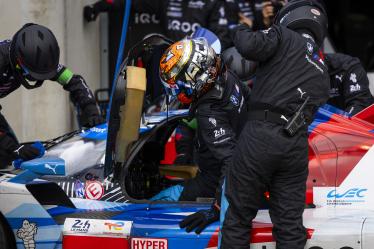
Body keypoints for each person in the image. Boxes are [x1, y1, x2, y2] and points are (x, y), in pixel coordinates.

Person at [219, 0, 330, 248]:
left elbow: (248, 46)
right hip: (295, 146)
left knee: (237, 219)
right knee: (290, 227)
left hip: (261, 135)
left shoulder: (284, 36)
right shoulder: (323, 69)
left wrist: (242, 26)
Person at [151, 38, 250, 204]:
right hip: (243, 164)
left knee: (153, 203)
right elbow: (249, 99)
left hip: (212, 183)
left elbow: (231, 161)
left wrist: (217, 206)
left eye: (176, 84)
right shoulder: (227, 75)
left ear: (192, 75)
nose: (176, 91)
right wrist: (184, 152)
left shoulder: (208, 111)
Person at [0, 23, 104, 168]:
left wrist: (91, 110)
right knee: (8, 151)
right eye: (33, 73)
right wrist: (12, 148)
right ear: (19, 62)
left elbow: (74, 81)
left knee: (8, 157)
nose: (36, 79)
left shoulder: (37, 59)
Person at [84, 0, 232, 50]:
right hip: (170, 60)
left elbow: (221, 38)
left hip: (199, 66)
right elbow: (133, 3)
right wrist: (99, 6)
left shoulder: (214, 3)